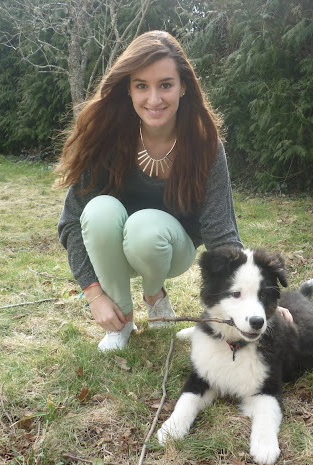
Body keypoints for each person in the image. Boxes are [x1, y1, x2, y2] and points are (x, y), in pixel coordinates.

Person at [55, 30, 243, 351]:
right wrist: (94, 295)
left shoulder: (205, 146)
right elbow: (72, 221)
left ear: (183, 86)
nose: (154, 100)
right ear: (128, 89)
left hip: (170, 250)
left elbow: (222, 236)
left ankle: (155, 295)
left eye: (165, 85)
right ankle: (122, 320)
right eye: (141, 85)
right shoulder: (108, 137)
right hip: (112, 250)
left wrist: (252, 300)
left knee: (144, 226)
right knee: (98, 211)